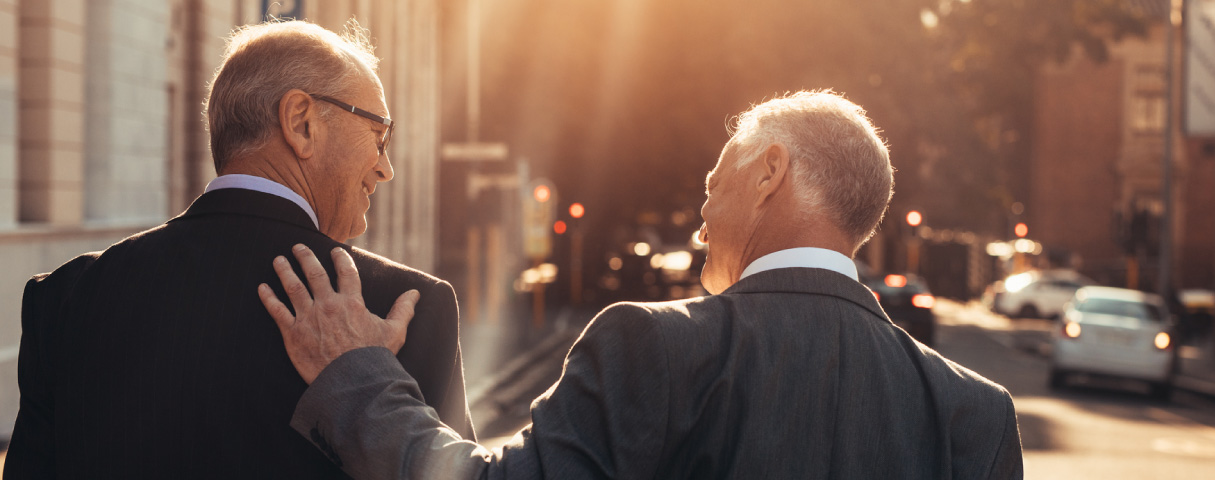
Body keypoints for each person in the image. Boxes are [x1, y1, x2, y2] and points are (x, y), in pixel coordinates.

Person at [262, 91, 1023, 479]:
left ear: (770, 173)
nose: (701, 209)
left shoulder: (655, 346)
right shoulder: (974, 416)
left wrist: (356, 374)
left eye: (715, 176)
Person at [6, 20, 473, 478]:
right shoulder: (405, 307)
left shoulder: (66, 297)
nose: (385, 167)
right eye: (379, 135)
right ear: (301, 122)